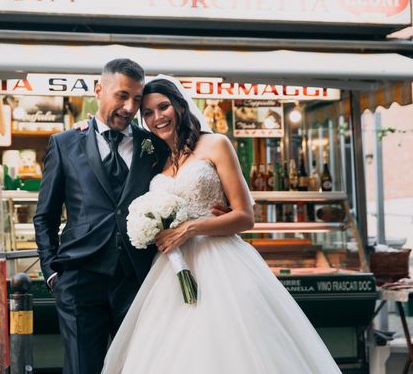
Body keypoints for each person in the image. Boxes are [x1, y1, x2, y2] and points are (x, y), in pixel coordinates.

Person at [101, 77, 342, 374]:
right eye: (148, 113)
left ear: (179, 105)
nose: (157, 117)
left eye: (163, 107)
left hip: (221, 262)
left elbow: (245, 216)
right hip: (171, 269)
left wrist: (191, 228)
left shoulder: (215, 144)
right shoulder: (156, 161)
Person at [34, 58, 165, 374]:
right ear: (99, 91)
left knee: (135, 367)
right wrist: (52, 272)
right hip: (80, 279)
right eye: (122, 96)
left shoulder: (154, 146)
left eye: (136, 99)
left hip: (137, 280)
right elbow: (45, 216)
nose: (130, 107)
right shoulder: (64, 143)